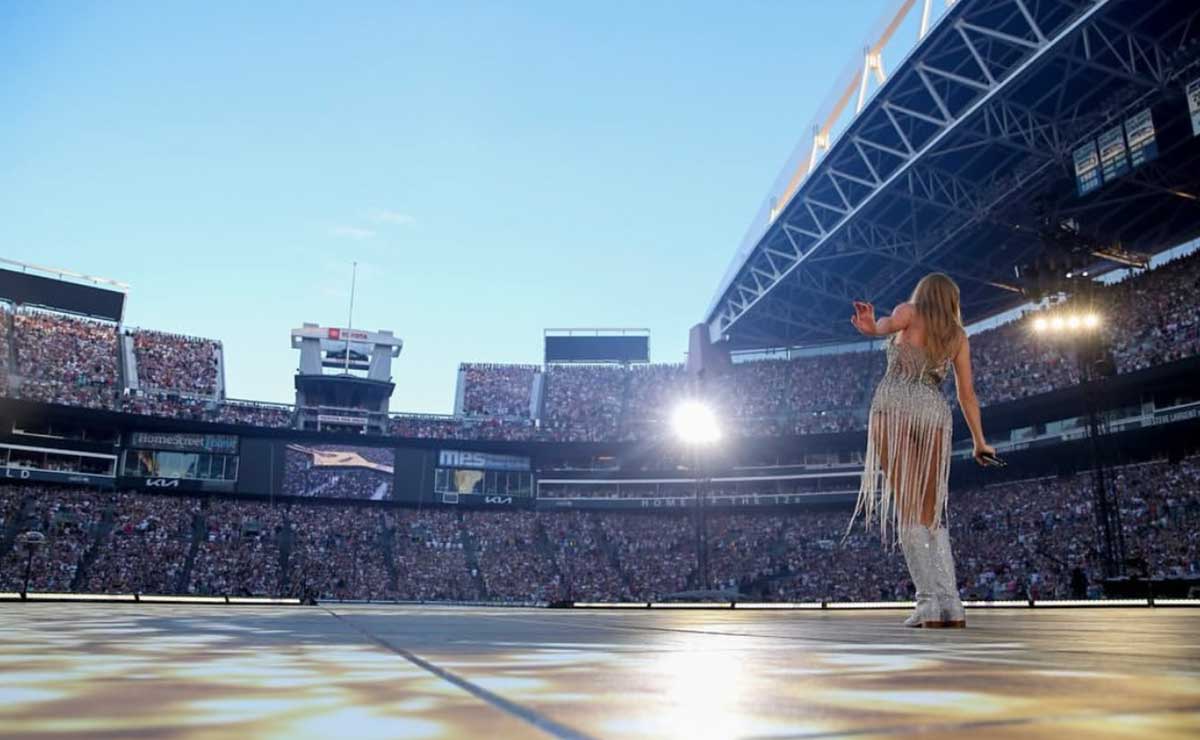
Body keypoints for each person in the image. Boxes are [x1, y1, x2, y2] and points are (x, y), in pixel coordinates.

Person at [847, 273, 995, 628]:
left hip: (895, 404)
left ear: (923, 294)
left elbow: (883, 326)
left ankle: (928, 603)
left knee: (909, 507)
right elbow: (966, 394)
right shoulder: (958, 336)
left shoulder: (909, 311)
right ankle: (952, 604)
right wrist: (979, 440)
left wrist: (869, 327)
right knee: (932, 513)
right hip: (933, 411)